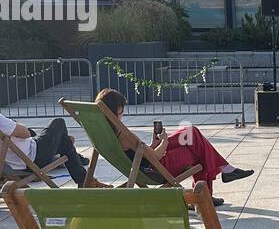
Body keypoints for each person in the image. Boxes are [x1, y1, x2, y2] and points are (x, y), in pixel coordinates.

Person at [95, 89, 252, 206]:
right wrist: (164, 142)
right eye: (121, 109)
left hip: (145, 166)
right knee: (195, 145)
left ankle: (220, 175)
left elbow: (140, 153)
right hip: (157, 169)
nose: (123, 112)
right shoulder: (124, 134)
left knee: (192, 136)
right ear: (114, 109)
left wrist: (154, 144)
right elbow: (155, 157)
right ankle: (208, 190)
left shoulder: (105, 132)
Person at [1, 108, 91, 187]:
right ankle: (83, 180)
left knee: (65, 142)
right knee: (58, 122)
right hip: (33, 157)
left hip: (15, 166)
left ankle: (83, 180)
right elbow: (26, 133)